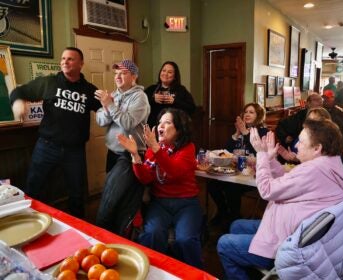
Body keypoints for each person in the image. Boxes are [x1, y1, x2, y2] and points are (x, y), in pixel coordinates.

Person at [217, 119, 343, 280]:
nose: (296, 145)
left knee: (224, 243)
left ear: (317, 148)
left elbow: (267, 190)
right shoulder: (330, 165)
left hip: (291, 245)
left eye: (301, 142)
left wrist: (262, 155)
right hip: (297, 231)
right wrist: (270, 159)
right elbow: (288, 180)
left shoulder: (314, 170)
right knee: (237, 225)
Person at [9, 47, 101, 218]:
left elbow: (106, 109)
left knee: (76, 194)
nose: (65, 62)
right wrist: (18, 103)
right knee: (33, 187)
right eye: (63, 58)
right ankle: (29, 222)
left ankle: (79, 229)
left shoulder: (89, 90)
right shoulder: (49, 82)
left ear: (81, 64)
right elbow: (18, 92)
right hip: (46, 147)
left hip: (75, 151)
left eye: (70, 59)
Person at [117, 108, 203, 269]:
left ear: (179, 128)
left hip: (186, 204)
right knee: (151, 234)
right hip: (160, 203)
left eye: (167, 122)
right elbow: (146, 177)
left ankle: (194, 274)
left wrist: (156, 148)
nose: (161, 126)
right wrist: (135, 155)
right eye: (160, 122)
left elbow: (174, 171)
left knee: (185, 240)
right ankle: (155, 271)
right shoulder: (153, 150)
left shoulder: (188, 148)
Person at [95, 59, 150, 236]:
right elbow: (101, 121)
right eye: (116, 73)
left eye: (123, 73)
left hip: (129, 156)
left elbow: (127, 123)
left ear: (134, 76)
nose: (118, 76)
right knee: (115, 199)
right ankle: (115, 238)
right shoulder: (114, 95)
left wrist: (109, 105)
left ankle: (102, 238)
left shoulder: (140, 98)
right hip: (112, 153)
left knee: (111, 202)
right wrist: (107, 105)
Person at [208, 103, 268, 227]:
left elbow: (258, 153)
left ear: (258, 115)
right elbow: (227, 152)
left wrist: (246, 133)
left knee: (232, 189)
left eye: (251, 112)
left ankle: (234, 218)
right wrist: (236, 134)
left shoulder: (263, 132)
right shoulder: (241, 131)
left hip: (252, 175)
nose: (247, 114)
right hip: (235, 171)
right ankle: (223, 211)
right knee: (212, 184)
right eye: (246, 111)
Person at [144, 61, 196, 128]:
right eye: (164, 70)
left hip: (174, 129)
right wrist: (152, 99)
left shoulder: (181, 90)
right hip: (153, 128)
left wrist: (175, 101)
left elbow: (192, 108)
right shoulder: (151, 89)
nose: (165, 74)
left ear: (175, 76)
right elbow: (139, 105)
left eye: (170, 72)